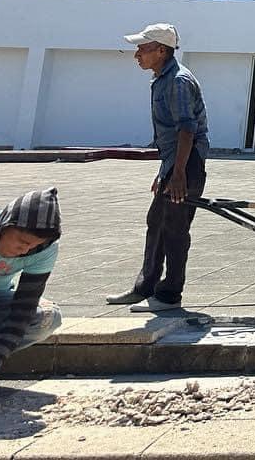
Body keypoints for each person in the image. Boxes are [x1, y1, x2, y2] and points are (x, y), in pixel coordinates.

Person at [105, 23, 210, 311]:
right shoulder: (162, 78)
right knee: (156, 223)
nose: (136, 54)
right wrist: (165, 171)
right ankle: (146, 286)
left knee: (175, 229)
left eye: (143, 48)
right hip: (174, 165)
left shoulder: (178, 81)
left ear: (161, 50)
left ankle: (169, 294)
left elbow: (187, 130)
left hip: (187, 166)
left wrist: (177, 175)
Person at [0, 188, 63, 394]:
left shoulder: (46, 250)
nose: (25, 251)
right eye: (22, 242)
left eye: (33, 246)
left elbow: (23, 310)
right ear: (4, 226)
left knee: (48, 317)